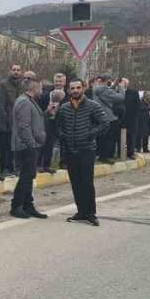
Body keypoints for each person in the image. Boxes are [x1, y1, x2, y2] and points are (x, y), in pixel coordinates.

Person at [55, 79, 110, 226]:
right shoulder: (64, 108)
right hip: (70, 150)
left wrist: (91, 134)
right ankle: (81, 212)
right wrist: (62, 135)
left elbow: (105, 122)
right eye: (72, 88)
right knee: (76, 182)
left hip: (87, 149)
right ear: (68, 91)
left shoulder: (93, 106)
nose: (75, 90)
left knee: (87, 182)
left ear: (83, 89)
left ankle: (90, 213)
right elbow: (58, 125)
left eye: (78, 88)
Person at [9, 79, 47, 219]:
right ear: (34, 87)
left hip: (30, 145)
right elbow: (24, 126)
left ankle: (28, 205)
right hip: (25, 146)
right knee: (26, 177)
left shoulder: (29, 101)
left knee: (29, 176)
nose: (42, 90)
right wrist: (31, 144)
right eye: (40, 87)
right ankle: (16, 206)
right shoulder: (24, 102)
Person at [38, 72, 66, 172]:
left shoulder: (68, 95)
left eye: (60, 81)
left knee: (64, 143)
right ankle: (44, 165)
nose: (58, 83)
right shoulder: (46, 94)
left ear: (64, 82)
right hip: (48, 121)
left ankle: (63, 163)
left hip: (62, 122)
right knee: (47, 144)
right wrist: (48, 111)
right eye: (56, 81)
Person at [92, 77, 124, 162]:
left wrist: (114, 85)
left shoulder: (97, 89)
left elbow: (109, 91)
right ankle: (105, 157)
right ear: (106, 81)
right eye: (109, 82)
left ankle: (101, 155)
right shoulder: (104, 90)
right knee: (109, 138)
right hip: (109, 117)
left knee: (101, 138)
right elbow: (120, 98)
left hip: (99, 116)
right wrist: (121, 87)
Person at [0, 64, 24, 175]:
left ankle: (17, 167)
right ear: (10, 71)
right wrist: (5, 118)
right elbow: (2, 103)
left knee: (18, 145)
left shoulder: (23, 84)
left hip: (21, 120)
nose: (16, 72)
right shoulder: (4, 84)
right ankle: (5, 168)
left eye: (18, 70)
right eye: (14, 70)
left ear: (21, 72)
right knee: (6, 146)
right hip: (8, 120)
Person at [122, 78, 139, 159]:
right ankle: (119, 152)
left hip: (131, 119)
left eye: (123, 82)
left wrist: (134, 117)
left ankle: (130, 153)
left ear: (126, 84)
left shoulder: (134, 93)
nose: (122, 84)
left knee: (131, 137)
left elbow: (137, 106)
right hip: (120, 119)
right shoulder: (116, 92)